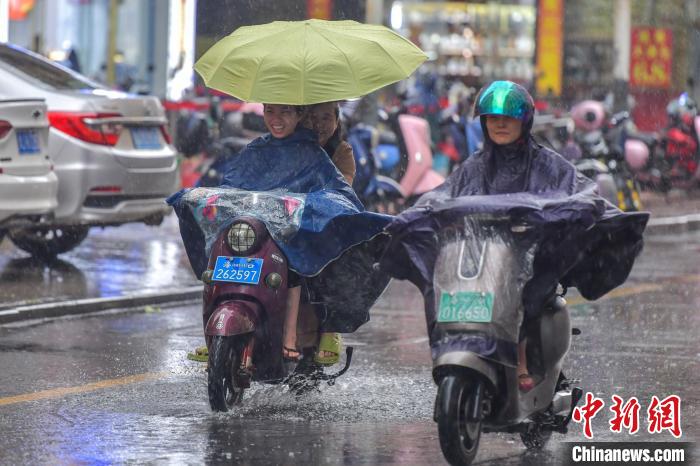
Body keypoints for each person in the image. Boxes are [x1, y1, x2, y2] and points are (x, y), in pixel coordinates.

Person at [304, 101, 356, 185]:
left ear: (336, 121)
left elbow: (343, 187)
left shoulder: (343, 151)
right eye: (313, 117)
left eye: (326, 118)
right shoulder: (295, 145)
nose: (319, 124)